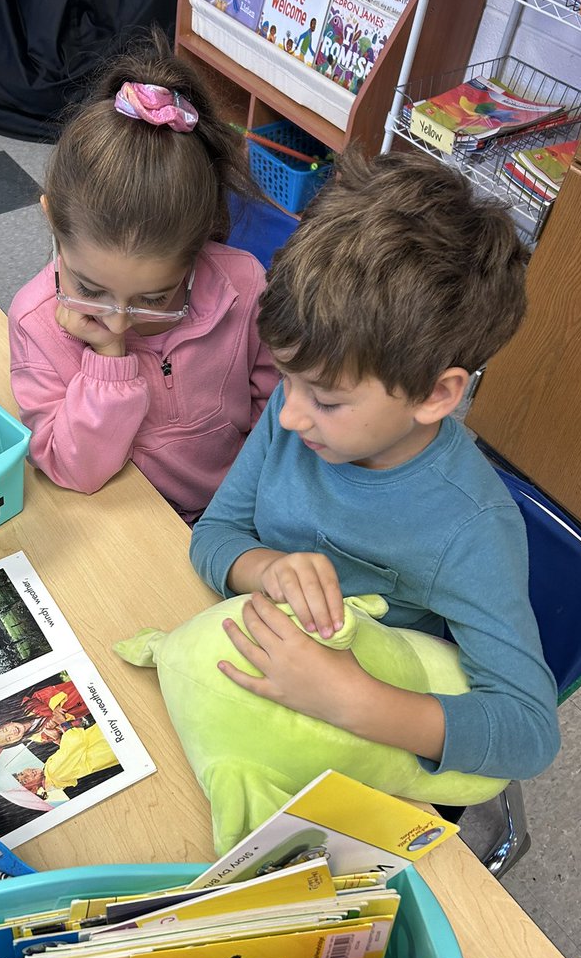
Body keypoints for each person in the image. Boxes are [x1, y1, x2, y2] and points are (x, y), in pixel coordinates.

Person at [189, 148, 560, 784]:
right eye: (286, 380)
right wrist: (268, 568)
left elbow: (530, 732)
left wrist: (351, 699)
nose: (288, 417)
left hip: (357, 740)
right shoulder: (300, 409)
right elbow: (215, 534)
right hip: (254, 685)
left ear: (436, 395)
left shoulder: (471, 527)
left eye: (326, 400)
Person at [7, 29, 278, 524]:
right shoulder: (36, 322)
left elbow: (279, 408)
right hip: (130, 523)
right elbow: (73, 468)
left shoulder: (243, 285)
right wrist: (106, 363)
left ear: (199, 252)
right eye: (90, 289)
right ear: (52, 223)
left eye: (155, 297)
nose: (118, 323)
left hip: (242, 511)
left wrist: (243, 512)